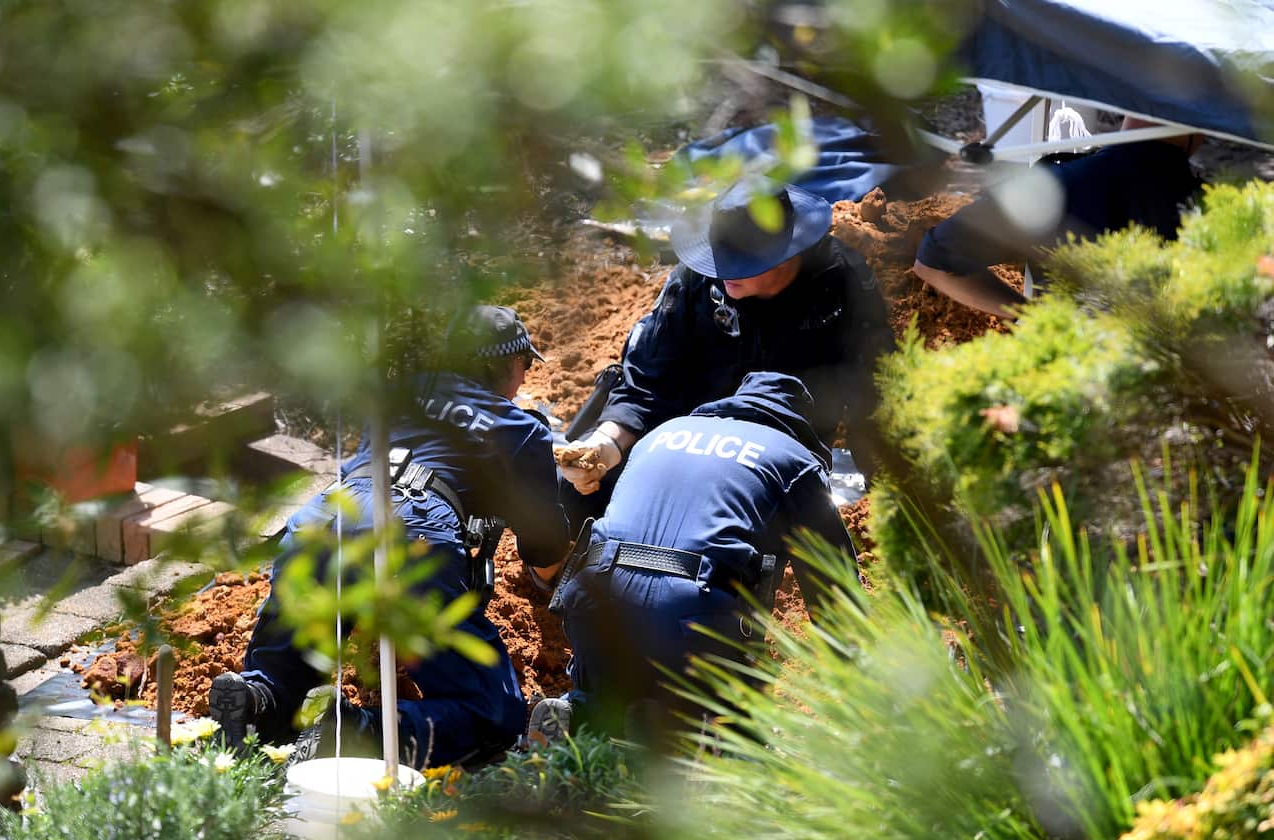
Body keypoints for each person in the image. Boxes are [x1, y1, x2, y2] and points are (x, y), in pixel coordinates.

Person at [210, 305, 570, 768]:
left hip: (325, 516)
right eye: (524, 367)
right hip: (411, 528)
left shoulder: (399, 394)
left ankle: (256, 701)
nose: (522, 383)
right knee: (493, 715)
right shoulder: (517, 429)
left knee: (290, 663)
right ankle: (351, 733)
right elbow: (545, 549)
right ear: (505, 365)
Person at [535, 372, 858, 739]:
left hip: (596, 597)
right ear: (798, 424)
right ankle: (711, 740)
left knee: (604, 700)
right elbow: (837, 595)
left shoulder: (662, 433)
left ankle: (579, 713)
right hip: (690, 611)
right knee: (731, 728)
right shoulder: (794, 459)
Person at [556, 180, 895, 508]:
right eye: (720, 255)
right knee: (572, 494)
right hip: (685, 440)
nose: (723, 271)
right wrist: (605, 445)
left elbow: (872, 393)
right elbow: (646, 383)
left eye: (741, 262)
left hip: (782, 455)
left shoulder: (839, 281)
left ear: (788, 252)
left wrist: (890, 496)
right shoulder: (696, 281)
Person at [913, 118, 1204, 318]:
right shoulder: (1214, 211)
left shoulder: (1060, 185)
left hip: (1059, 385)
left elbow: (933, 261)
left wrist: (1028, 318)